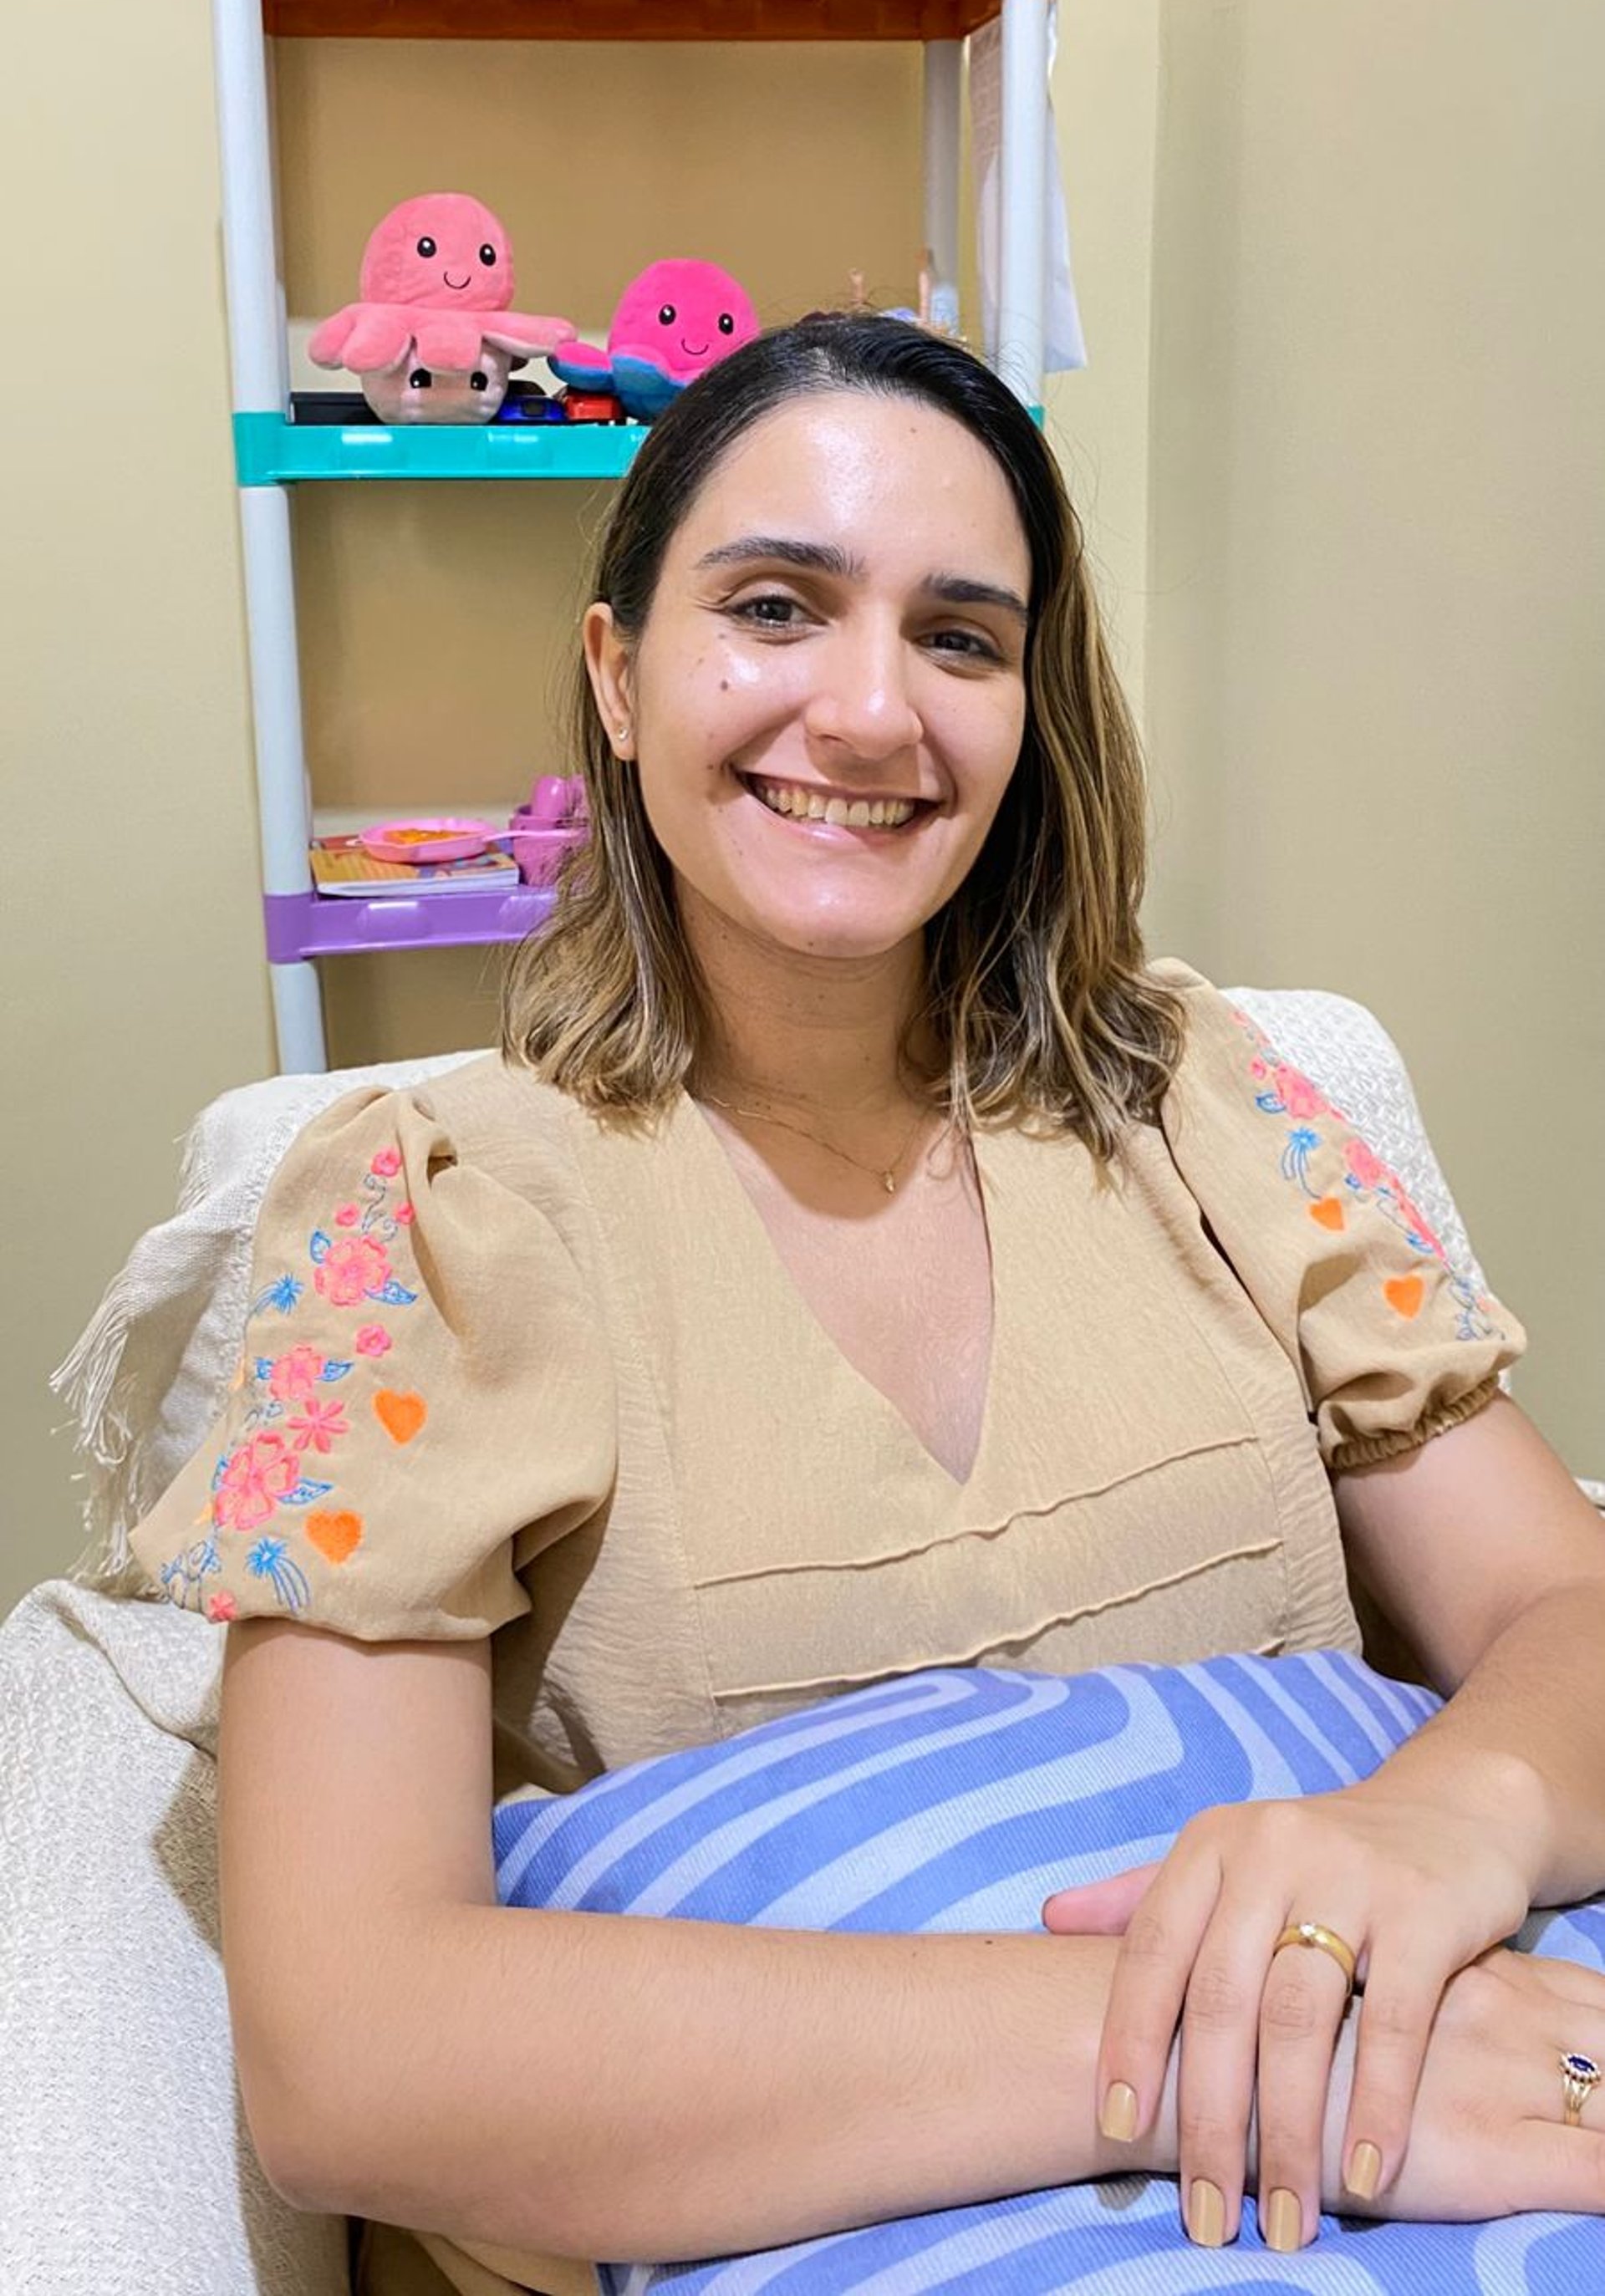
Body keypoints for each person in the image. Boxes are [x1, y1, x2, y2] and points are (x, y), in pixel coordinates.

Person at [131, 314, 1605, 2296]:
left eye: (961, 638)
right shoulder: (421, 1217)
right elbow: (356, 2058)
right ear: (617, 679)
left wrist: (1447, 1833)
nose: (871, 711)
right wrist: (1221, 2048)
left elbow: (1562, 1608)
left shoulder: (1200, 1095)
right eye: (773, 606)